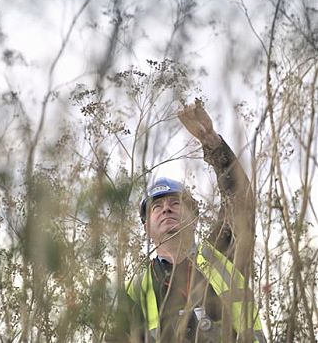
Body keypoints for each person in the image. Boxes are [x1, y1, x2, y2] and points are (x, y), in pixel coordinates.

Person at [108, 100, 266, 343]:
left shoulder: (222, 254)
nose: (166, 209)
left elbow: (240, 203)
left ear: (194, 218)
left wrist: (214, 145)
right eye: (156, 207)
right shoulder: (136, 290)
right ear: (146, 228)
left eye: (176, 203)